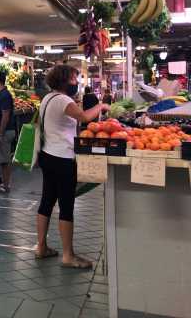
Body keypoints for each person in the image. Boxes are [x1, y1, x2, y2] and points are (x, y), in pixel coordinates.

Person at [35, 65, 109, 269]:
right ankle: (68, 255)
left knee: (47, 200)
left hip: (48, 155)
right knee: (66, 205)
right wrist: (101, 106)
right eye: (74, 79)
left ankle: (41, 247)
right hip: (63, 158)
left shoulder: (47, 99)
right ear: (64, 80)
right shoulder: (63, 100)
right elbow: (85, 117)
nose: (76, 82)